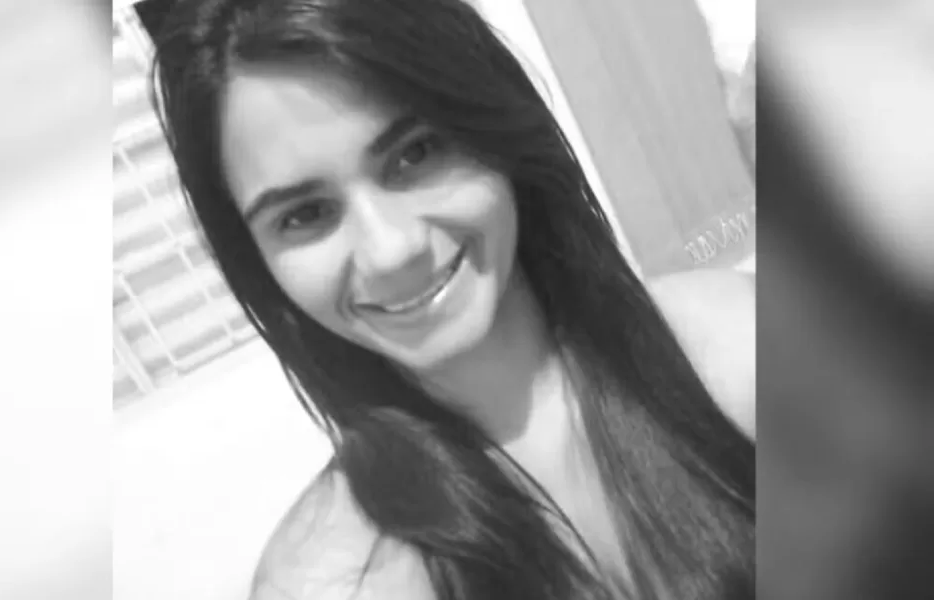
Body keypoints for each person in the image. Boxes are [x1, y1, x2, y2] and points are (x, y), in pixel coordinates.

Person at [150, 0, 755, 598]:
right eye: (306, 215)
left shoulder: (731, 348)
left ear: (492, 124)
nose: (391, 250)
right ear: (257, 260)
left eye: (415, 153)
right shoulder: (335, 581)